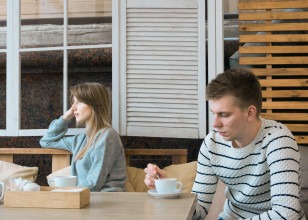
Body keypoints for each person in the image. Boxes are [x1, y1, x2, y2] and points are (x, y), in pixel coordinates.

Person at [144, 68, 306, 219]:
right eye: (214, 114)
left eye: (224, 115)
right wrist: (167, 190)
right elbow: (199, 210)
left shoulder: (278, 140)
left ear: (250, 113)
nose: (215, 124)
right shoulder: (212, 144)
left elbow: (286, 214)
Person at [40, 82, 127, 192]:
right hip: (87, 197)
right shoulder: (80, 140)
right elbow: (46, 141)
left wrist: (70, 194)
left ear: (95, 104)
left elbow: (94, 182)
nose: (73, 107)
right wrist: (66, 117)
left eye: (79, 102)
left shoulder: (107, 136)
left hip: (106, 200)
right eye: (73, 102)